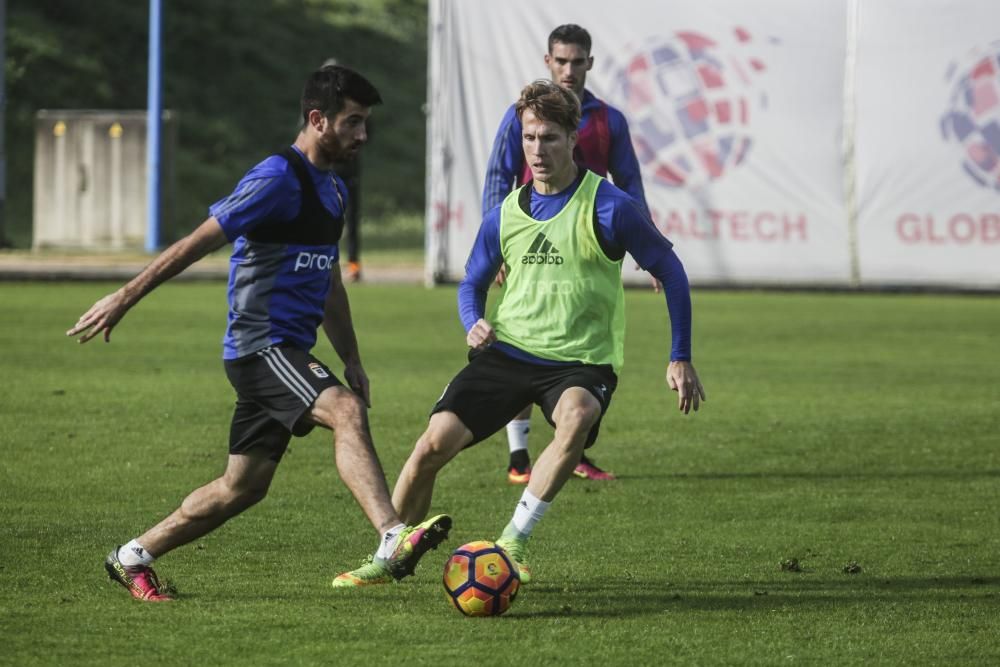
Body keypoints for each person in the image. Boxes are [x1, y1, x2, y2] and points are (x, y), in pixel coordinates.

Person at [66, 66, 451, 601]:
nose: (363, 135)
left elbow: (329, 279)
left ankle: (132, 556)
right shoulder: (275, 180)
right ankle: (392, 537)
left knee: (241, 487)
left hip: (287, 350)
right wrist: (122, 298)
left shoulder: (333, 191)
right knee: (344, 411)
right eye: (354, 122)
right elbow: (195, 243)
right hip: (260, 345)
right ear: (318, 120)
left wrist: (353, 357)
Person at [336, 79, 704, 586]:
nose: (537, 149)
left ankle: (514, 539)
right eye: (529, 137)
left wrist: (679, 356)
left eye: (549, 137)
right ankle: (388, 552)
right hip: (509, 352)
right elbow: (472, 283)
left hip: (580, 361)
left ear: (573, 138)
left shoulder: (609, 206)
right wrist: (474, 322)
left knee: (575, 416)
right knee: (430, 447)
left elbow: (672, 269)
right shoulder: (506, 213)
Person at [483, 24, 652, 484]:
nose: (569, 70)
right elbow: (499, 175)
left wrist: (647, 243)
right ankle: (519, 456)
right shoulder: (521, 116)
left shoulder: (608, 119)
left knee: (585, 342)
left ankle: (572, 449)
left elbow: (629, 182)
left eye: (578, 61)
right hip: (532, 239)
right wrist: (495, 245)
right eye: (561, 61)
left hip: (588, 244)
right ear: (548, 62)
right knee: (523, 337)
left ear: (589, 64)